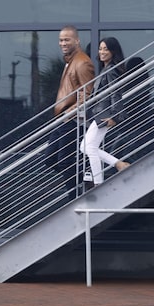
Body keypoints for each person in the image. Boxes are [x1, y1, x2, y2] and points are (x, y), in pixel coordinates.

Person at [46, 25, 95, 190]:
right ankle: (83, 177)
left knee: (66, 161)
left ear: (77, 40)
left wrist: (69, 112)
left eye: (67, 39)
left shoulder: (82, 63)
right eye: (61, 40)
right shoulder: (70, 62)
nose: (63, 43)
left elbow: (87, 93)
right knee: (50, 159)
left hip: (72, 120)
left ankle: (75, 194)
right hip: (63, 119)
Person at [80, 37, 132, 188]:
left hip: (105, 114)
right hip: (100, 114)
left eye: (106, 49)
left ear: (113, 51)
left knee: (89, 147)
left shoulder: (111, 70)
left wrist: (114, 116)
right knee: (85, 147)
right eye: (100, 48)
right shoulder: (107, 68)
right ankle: (119, 164)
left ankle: (98, 184)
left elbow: (115, 93)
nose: (102, 52)